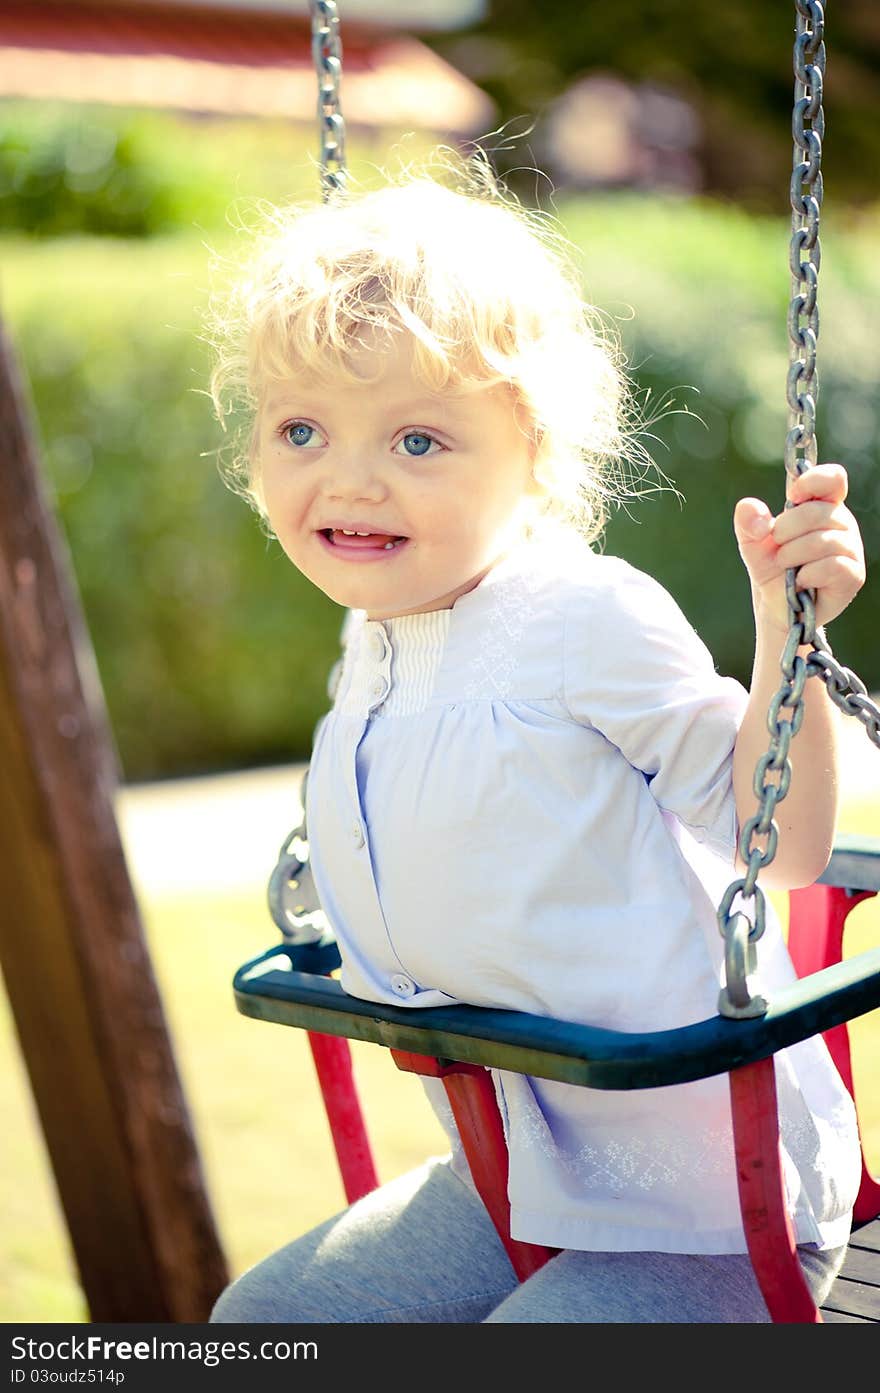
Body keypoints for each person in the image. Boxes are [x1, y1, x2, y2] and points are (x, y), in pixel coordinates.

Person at [206, 152, 867, 1323]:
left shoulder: (581, 615)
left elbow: (789, 843)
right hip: (511, 1179)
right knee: (255, 1327)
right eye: (300, 428)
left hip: (712, 1202)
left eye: (417, 441)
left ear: (534, 455)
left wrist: (786, 631)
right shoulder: (374, 639)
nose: (348, 481)